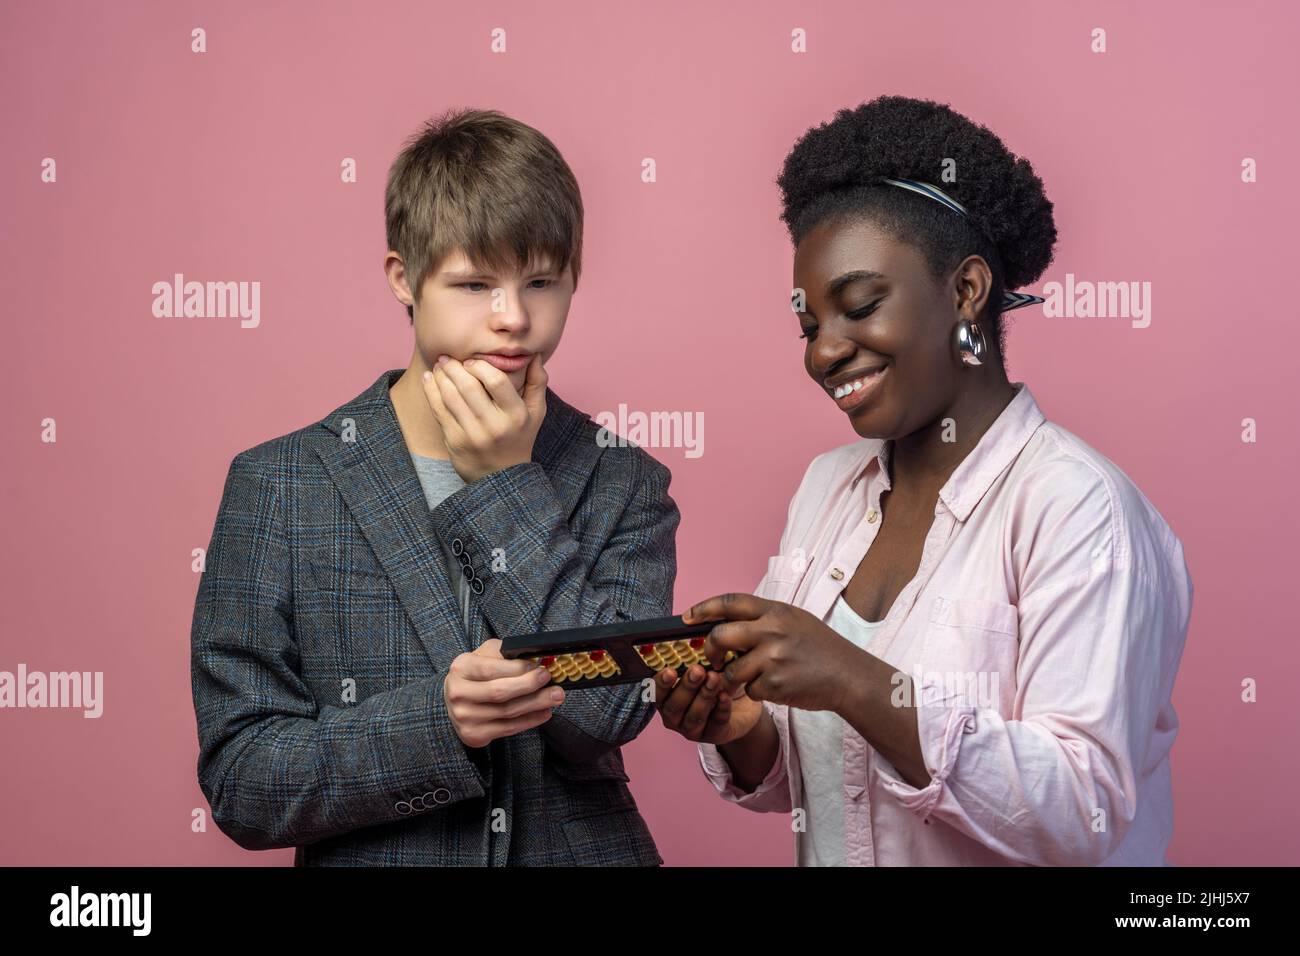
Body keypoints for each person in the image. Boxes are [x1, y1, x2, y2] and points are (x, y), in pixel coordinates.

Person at [654, 95, 1193, 866]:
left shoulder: (1079, 508)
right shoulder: (826, 488)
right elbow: (820, 786)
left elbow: (1082, 813)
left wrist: (852, 678)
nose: (823, 353)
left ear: (967, 292)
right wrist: (742, 729)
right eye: (809, 325)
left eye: (861, 306)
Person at [190, 108, 679, 866]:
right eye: (475, 283)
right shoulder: (280, 484)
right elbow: (243, 782)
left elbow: (608, 710)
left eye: (542, 282)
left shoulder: (625, 480)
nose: (513, 317)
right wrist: (434, 722)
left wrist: (506, 485)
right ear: (403, 280)